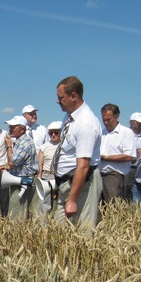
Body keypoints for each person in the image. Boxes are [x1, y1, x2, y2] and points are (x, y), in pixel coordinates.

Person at [52, 76, 102, 230]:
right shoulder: (69, 118)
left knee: (82, 233)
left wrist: (72, 199)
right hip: (67, 183)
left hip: (82, 184)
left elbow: (83, 166)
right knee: (59, 233)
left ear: (73, 96)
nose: (57, 101)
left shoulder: (85, 124)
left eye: (61, 98)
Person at [98, 103, 135, 203]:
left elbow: (129, 156)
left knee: (113, 208)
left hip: (114, 176)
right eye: (104, 120)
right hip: (99, 175)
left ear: (117, 116)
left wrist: (106, 158)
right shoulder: (101, 133)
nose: (106, 122)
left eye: (109, 119)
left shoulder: (126, 133)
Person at [4, 115, 39, 220]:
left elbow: (12, 163)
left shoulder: (24, 143)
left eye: (13, 127)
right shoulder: (22, 141)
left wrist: (9, 145)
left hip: (22, 183)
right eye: (10, 126)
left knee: (16, 213)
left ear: (22, 129)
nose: (10, 129)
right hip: (21, 181)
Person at [37, 121, 61, 214]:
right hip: (46, 175)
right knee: (45, 203)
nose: (53, 135)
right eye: (51, 133)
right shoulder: (43, 147)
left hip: (59, 176)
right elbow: (40, 163)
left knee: (58, 203)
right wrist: (39, 176)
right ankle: (43, 226)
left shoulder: (65, 146)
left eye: (56, 132)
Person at [124, 112, 141, 200]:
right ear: (131, 122)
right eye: (138, 122)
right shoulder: (125, 133)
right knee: (127, 191)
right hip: (128, 167)